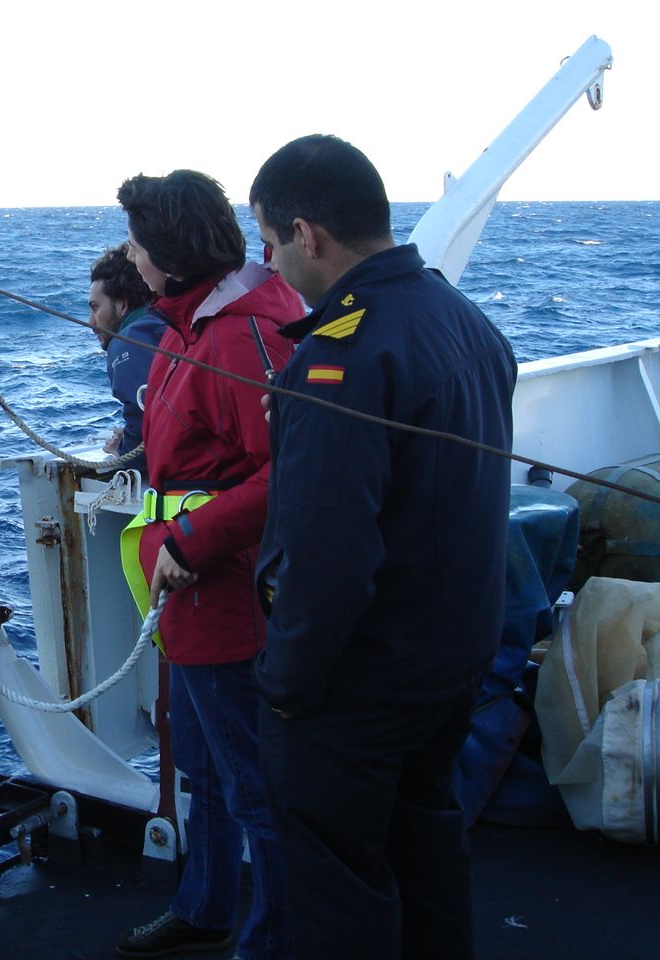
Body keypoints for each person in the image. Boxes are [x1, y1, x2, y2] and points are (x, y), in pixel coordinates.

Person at [248, 135, 518, 960]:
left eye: (269, 241)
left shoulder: (344, 355)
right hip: (450, 664)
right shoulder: (464, 321)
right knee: (427, 852)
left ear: (309, 235)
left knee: (338, 889)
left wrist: (286, 685)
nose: (269, 262)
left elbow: (329, 552)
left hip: (359, 684)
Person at [115, 170, 299, 960]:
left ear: (170, 252)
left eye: (137, 239)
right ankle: (208, 907)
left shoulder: (235, 333)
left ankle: (271, 944)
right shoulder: (194, 323)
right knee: (202, 766)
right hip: (189, 603)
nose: (129, 253)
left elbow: (289, 468)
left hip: (226, 598)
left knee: (260, 792)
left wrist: (192, 542)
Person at [88, 243, 166, 470]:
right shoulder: (162, 324)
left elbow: (142, 416)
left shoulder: (128, 344)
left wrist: (123, 449)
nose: (91, 322)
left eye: (95, 307)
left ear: (122, 305)